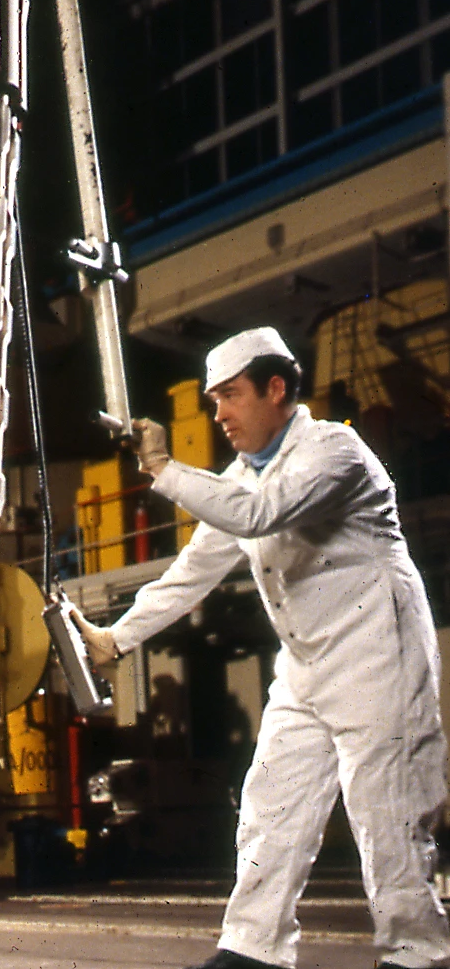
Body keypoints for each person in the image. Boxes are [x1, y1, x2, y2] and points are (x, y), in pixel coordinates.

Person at [73, 327, 449, 969]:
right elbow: (193, 570)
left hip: (377, 654)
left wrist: (164, 469)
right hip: (305, 667)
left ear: (277, 388)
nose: (218, 414)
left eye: (231, 397)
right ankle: (252, 951)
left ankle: (417, 955)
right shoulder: (242, 477)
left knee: (387, 818)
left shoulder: (335, 450)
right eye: (213, 399)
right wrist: (116, 637)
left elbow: (259, 515)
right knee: (268, 807)